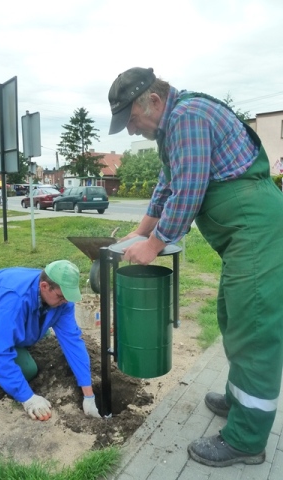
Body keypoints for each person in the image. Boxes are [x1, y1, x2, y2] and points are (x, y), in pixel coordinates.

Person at [108, 67, 283, 467]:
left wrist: (154, 245)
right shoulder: (171, 130)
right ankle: (239, 402)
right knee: (233, 317)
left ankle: (246, 439)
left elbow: (190, 186)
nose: (133, 130)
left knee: (254, 329)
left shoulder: (187, 117)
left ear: (152, 100)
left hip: (256, 231)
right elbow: (165, 188)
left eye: (132, 120)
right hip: (243, 238)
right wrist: (137, 236)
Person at [0, 260, 101, 421]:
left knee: (36, 336)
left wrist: (89, 395)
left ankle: (6, 334)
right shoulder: (15, 300)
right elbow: (0, 354)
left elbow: (72, 342)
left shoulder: (62, 302)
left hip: (5, 310)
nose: (65, 301)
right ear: (44, 286)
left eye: (68, 296)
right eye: (60, 296)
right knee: (26, 369)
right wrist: (27, 398)